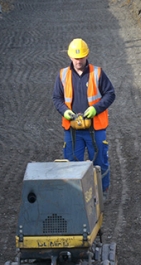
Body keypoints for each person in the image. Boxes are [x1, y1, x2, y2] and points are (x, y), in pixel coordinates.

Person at [53, 38, 115, 199]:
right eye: (75, 58)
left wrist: (96, 109)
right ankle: (75, 195)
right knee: (72, 164)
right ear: (70, 57)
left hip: (95, 129)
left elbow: (110, 94)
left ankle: (102, 192)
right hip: (73, 130)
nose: (78, 61)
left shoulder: (97, 73)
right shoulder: (63, 75)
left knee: (100, 162)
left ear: (86, 56)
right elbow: (57, 98)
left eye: (81, 58)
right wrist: (64, 111)